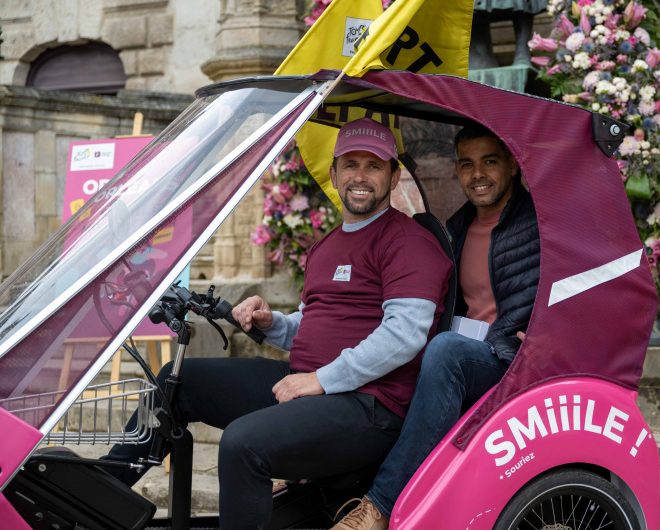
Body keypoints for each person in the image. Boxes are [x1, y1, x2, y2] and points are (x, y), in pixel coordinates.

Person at [102, 118, 452, 529]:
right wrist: (273, 324)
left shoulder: (409, 242)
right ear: (335, 173)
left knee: (243, 444)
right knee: (176, 382)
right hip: (312, 384)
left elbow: (403, 335)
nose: (361, 176)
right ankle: (97, 497)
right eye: (351, 164)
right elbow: (316, 323)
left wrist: (321, 379)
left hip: (370, 406)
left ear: (393, 177)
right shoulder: (327, 244)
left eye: (374, 166)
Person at [333, 124, 540, 530]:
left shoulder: (541, 223)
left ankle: (379, 504)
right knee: (401, 352)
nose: (477, 174)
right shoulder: (458, 228)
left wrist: (548, 334)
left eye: (490, 162)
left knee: (444, 352)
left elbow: (575, 285)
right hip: (469, 353)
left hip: (512, 361)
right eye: (466, 164)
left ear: (513, 165)